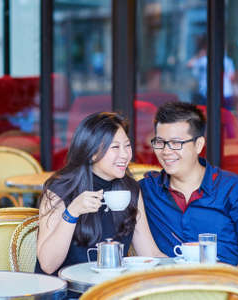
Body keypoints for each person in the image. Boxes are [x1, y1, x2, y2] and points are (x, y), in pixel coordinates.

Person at [35, 112, 165, 297]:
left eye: (127, 146)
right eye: (115, 147)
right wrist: (72, 212)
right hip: (66, 294)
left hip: (110, 293)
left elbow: (150, 252)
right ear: (91, 152)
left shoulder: (130, 189)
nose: (125, 155)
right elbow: (48, 265)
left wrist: (188, 270)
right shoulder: (60, 190)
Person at [140, 102, 238, 274]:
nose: (166, 151)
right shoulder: (147, 190)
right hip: (169, 288)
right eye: (160, 142)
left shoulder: (233, 189)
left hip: (225, 287)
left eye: (176, 143)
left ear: (199, 145)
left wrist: (231, 291)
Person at [187, 35, 235, 109]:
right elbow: (231, 77)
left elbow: (189, 64)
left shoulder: (204, 60)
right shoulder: (227, 60)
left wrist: (199, 55)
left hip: (207, 94)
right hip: (226, 93)